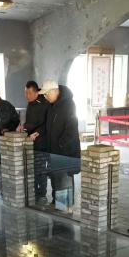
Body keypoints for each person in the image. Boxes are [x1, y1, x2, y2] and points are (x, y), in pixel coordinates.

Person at [40, 80, 81, 210]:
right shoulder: (51, 106)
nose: (45, 97)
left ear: (54, 91)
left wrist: (60, 145)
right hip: (54, 152)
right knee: (57, 181)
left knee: (65, 181)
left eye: (47, 94)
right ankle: (61, 207)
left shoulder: (69, 105)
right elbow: (48, 127)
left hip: (65, 153)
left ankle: (65, 210)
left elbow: (71, 129)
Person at [23, 80, 50, 204]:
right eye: (25, 93)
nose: (27, 96)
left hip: (42, 143)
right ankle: (34, 193)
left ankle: (42, 195)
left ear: (36, 92)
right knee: (32, 169)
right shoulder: (30, 104)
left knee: (41, 170)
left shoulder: (44, 103)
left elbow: (47, 123)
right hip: (31, 143)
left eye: (29, 93)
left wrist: (37, 132)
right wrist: (24, 128)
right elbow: (30, 123)